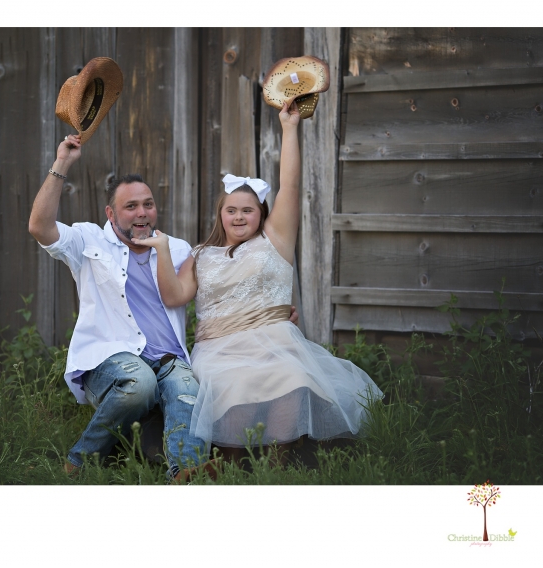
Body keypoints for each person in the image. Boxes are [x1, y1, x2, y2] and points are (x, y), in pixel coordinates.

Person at [28, 133, 298, 481]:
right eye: (131, 206)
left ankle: (185, 472)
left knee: (187, 389)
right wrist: (62, 162)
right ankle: (80, 461)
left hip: (169, 361)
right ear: (111, 213)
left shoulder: (180, 249)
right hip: (113, 357)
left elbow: (219, 290)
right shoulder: (88, 240)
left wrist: (270, 315)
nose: (142, 213)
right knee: (139, 382)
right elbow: (40, 226)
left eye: (148, 204)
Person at [136, 101, 384, 461]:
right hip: (219, 348)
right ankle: (236, 462)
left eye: (248, 210)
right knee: (228, 384)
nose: (239, 217)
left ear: (261, 214)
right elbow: (174, 297)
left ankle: (279, 460)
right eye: (231, 210)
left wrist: (288, 127)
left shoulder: (275, 240)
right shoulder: (201, 254)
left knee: (291, 377)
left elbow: (291, 183)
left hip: (273, 339)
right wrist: (160, 249)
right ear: (221, 215)